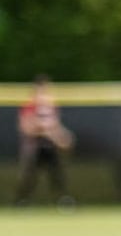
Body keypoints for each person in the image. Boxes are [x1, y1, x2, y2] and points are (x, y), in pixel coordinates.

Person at [14, 74, 75, 209]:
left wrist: (61, 137)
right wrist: (43, 129)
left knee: (57, 173)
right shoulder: (29, 106)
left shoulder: (50, 107)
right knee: (29, 176)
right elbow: (26, 128)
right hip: (34, 146)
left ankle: (63, 200)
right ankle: (21, 202)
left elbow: (55, 126)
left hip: (50, 145)